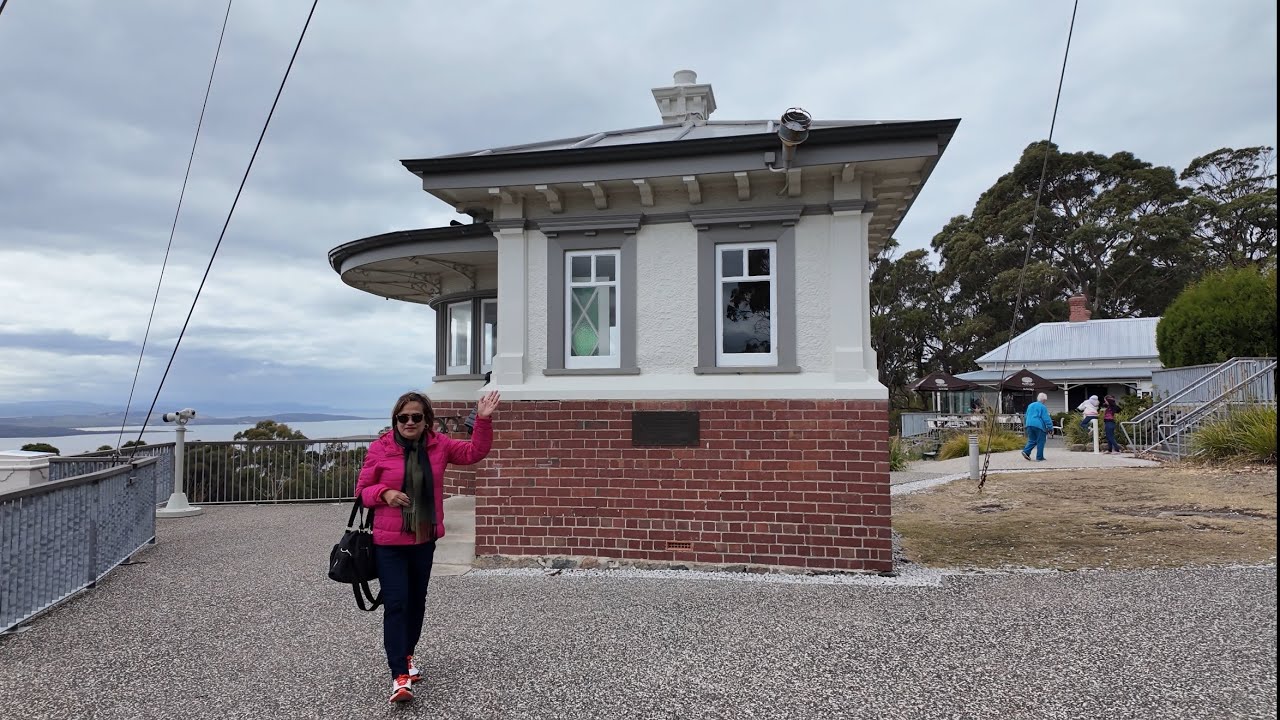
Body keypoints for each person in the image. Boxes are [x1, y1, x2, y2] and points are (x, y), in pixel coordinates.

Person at [355, 389, 501, 704]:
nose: (409, 422)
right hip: (389, 542)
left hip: (423, 539)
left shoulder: (440, 446)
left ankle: (407, 655)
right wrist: (385, 494)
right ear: (395, 419)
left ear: (427, 420)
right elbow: (362, 490)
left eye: (416, 417)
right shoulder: (380, 449)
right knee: (396, 603)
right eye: (403, 417)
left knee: (417, 601)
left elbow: (475, 452)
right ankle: (399, 676)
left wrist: (484, 420)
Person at [1021, 392, 1053, 462]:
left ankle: (1026, 451)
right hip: (1038, 425)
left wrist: (1026, 424)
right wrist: (1050, 427)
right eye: (1045, 401)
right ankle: (1039, 457)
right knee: (1041, 440)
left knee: (1032, 439)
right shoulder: (1042, 407)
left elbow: (1026, 416)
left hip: (1029, 424)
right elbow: (1046, 418)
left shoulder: (1030, 405)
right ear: (1044, 400)